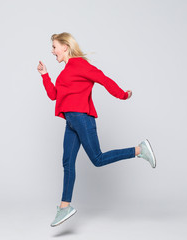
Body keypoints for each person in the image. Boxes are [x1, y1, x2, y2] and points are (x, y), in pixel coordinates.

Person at [37, 32, 156, 227]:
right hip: (71, 121)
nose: (52, 51)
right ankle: (65, 207)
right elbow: (53, 96)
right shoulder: (65, 71)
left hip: (83, 118)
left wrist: (123, 95)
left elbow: (103, 79)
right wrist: (45, 75)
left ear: (65, 47)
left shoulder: (80, 65)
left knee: (97, 159)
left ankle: (140, 150)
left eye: (54, 47)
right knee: (67, 162)